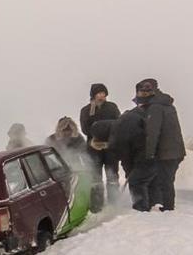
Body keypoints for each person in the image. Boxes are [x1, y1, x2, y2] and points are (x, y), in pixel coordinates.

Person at [110, 80, 157, 211]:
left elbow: (127, 151)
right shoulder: (134, 116)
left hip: (146, 155)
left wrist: (131, 169)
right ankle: (149, 205)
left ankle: (141, 209)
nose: (145, 94)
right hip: (147, 154)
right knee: (143, 180)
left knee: (137, 181)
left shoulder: (148, 112)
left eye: (147, 91)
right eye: (142, 91)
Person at [141, 78, 186, 211]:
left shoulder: (155, 107)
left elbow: (153, 132)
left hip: (167, 152)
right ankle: (167, 205)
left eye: (144, 91)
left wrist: (149, 154)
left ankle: (168, 208)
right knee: (167, 180)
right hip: (176, 150)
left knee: (165, 180)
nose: (142, 94)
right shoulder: (167, 104)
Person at [79, 83, 121, 201]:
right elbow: (84, 128)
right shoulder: (86, 110)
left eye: (103, 93)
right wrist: (95, 134)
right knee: (95, 178)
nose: (101, 96)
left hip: (110, 147)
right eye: (98, 93)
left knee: (112, 176)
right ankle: (97, 204)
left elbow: (119, 123)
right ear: (93, 95)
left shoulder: (112, 107)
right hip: (93, 148)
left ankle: (114, 202)